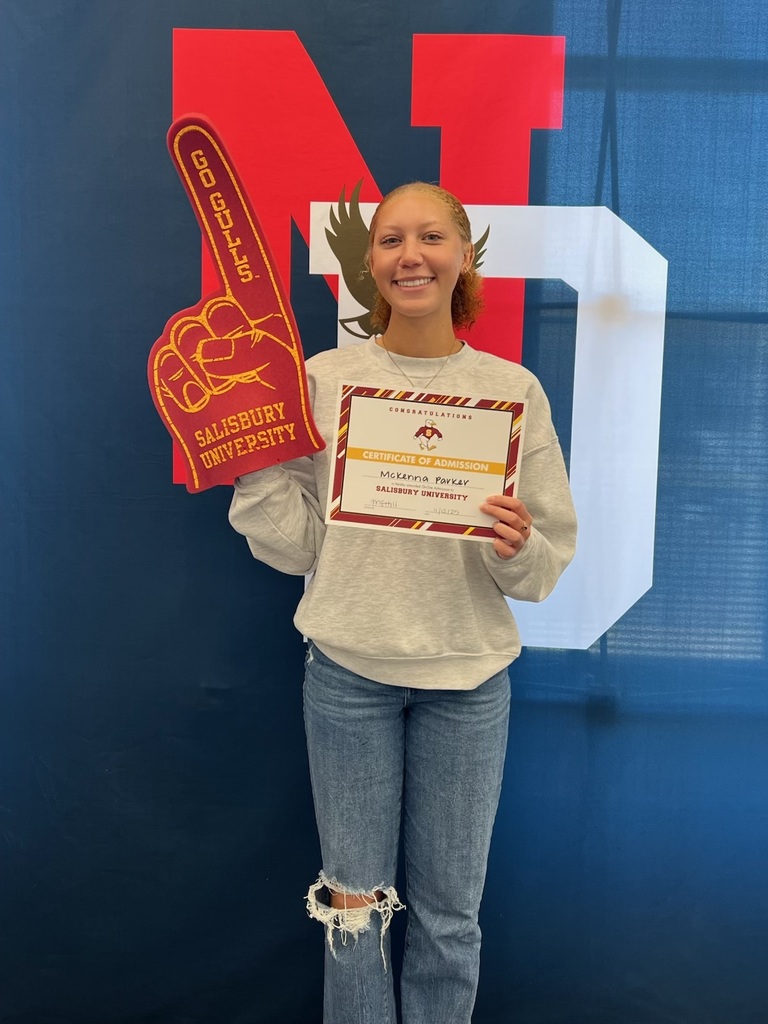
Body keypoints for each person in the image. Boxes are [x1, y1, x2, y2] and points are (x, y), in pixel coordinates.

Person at [228, 182, 577, 1024]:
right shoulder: (322, 380)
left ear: (464, 255)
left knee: (451, 918)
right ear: (370, 263)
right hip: (348, 674)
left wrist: (516, 543)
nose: (409, 255)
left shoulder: (512, 391)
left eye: (429, 237)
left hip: (470, 683)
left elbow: (543, 564)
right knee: (353, 909)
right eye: (390, 241)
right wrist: (253, 464)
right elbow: (303, 547)